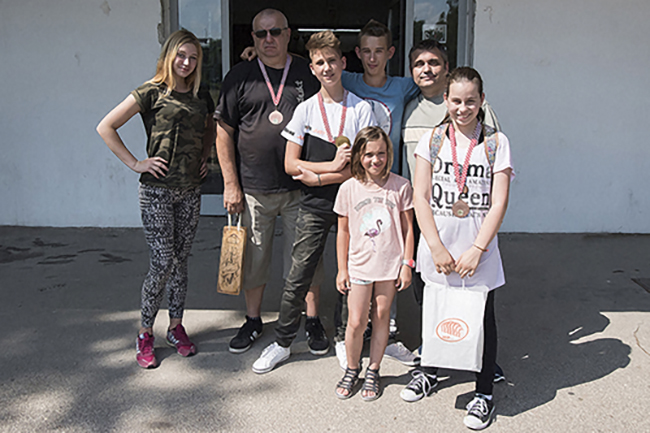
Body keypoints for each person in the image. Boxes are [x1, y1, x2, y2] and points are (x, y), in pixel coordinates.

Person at [252, 30, 376, 374]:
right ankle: (283, 342)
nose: (326, 68)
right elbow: (290, 165)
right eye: (319, 62)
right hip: (314, 204)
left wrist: (318, 176)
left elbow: (364, 168)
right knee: (298, 275)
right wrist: (331, 169)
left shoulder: (361, 109)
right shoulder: (305, 109)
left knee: (350, 274)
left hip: (353, 204)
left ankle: (343, 339)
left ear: (343, 63)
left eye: (332, 61)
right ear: (312, 68)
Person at [96, 29, 215, 368]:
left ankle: (175, 327)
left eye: (193, 57)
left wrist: (204, 155)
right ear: (169, 56)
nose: (187, 63)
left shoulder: (201, 95)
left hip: (190, 189)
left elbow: (210, 127)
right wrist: (136, 163)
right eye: (181, 56)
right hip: (157, 191)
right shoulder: (151, 91)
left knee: (181, 261)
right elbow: (106, 127)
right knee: (162, 262)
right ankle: (145, 331)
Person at [406, 67, 514, 430]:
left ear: (482, 100)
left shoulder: (496, 143)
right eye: (456, 101)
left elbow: (499, 202)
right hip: (438, 250)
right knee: (434, 312)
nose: (462, 108)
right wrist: (435, 246)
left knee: (483, 319)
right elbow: (420, 196)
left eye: (470, 101)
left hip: (478, 253)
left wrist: (477, 249)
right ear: (446, 100)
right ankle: (429, 371)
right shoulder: (432, 140)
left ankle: (483, 393)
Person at [215, 9, 325, 355]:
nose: (268, 39)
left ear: (288, 34)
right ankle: (253, 320)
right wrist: (230, 184)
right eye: (261, 34)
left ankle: (312, 319)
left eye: (275, 32)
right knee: (254, 259)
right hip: (254, 188)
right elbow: (223, 132)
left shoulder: (308, 73)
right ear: (252, 38)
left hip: (301, 186)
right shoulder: (240, 75)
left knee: (306, 258)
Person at [337, 19, 421, 369]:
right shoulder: (349, 80)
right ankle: (347, 334)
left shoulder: (403, 86)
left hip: (392, 187)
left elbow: (438, 81)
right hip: (359, 186)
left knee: (389, 254)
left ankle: (387, 336)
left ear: (390, 53)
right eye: (367, 51)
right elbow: (317, 63)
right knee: (358, 255)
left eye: (379, 51)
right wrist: (255, 57)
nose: (373, 58)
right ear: (358, 53)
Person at [333, 126, 414, 401]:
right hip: (359, 265)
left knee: (381, 316)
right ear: (359, 155)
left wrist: (407, 264)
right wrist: (342, 268)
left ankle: (374, 369)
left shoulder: (401, 186)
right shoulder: (348, 188)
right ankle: (352, 367)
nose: (375, 160)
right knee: (356, 320)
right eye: (368, 154)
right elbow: (343, 231)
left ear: (388, 153)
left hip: (389, 265)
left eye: (381, 153)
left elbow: (408, 229)